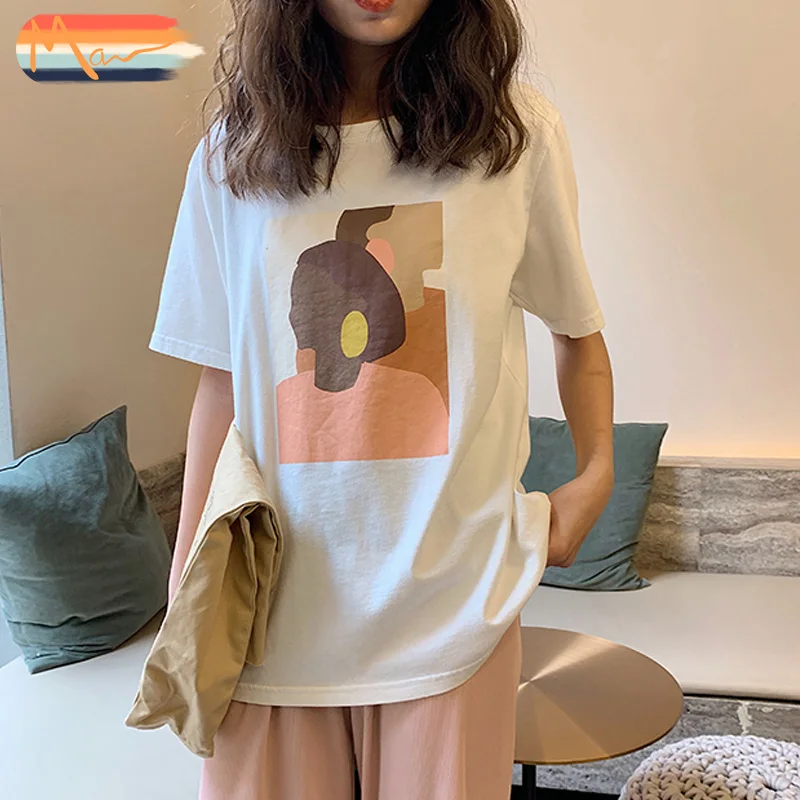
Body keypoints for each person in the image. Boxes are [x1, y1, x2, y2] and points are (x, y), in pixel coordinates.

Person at [149, 0, 615, 798]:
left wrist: (596, 477)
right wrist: (185, 577)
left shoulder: (513, 138)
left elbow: (578, 333)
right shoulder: (234, 155)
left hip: (450, 611)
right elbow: (221, 378)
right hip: (263, 614)